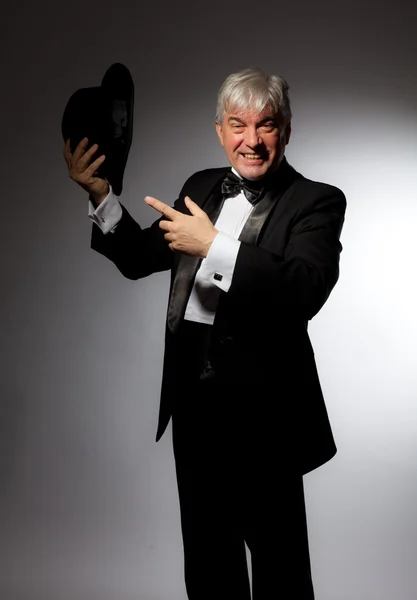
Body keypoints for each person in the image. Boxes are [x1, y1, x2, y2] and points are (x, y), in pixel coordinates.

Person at [64, 67, 346, 599]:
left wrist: (213, 246)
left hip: (266, 417)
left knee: (280, 569)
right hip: (195, 410)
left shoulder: (317, 201)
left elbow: (304, 289)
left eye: (266, 125)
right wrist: (101, 197)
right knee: (209, 565)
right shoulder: (201, 187)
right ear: (220, 130)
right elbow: (139, 257)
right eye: (237, 125)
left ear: (285, 130)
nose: (252, 140)